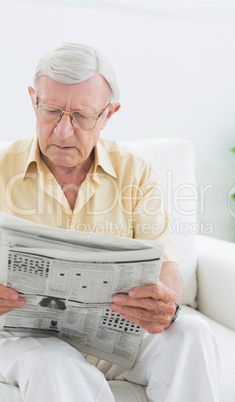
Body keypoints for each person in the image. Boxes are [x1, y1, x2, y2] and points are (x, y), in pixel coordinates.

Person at [0, 43, 221, 402]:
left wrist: (165, 304)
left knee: (191, 332)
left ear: (108, 114)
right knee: (54, 362)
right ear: (33, 100)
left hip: (112, 338)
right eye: (52, 111)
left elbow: (165, 266)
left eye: (82, 116)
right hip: (19, 341)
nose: (63, 131)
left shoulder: (135, 172)